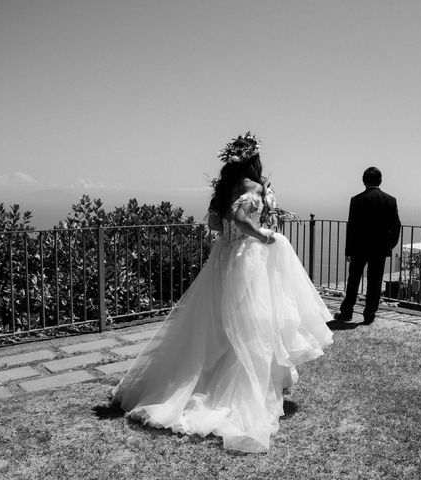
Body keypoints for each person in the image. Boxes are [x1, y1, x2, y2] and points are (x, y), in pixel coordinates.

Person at [113, 132, 333, 453]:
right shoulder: (254, 188)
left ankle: (202, 380)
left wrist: (262, 216)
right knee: (252, 322)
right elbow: (242, 218)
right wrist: (263, 233)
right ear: (254, 160)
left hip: (222, 257)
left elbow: (217, 223)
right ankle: (243, 390)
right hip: (247, 259)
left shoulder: (226, 189)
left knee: (218, 320)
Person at [334, 167, 401, 325]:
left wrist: (348, 250)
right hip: (380, 248)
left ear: (364, 181)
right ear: (380, 180)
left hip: (359, 247)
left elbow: (352, 228)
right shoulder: (390, 200)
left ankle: (347, 312)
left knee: (353, 280)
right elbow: (396, 226)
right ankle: (369, 314)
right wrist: (389, 245)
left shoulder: (356, 200)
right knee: (375, 282)